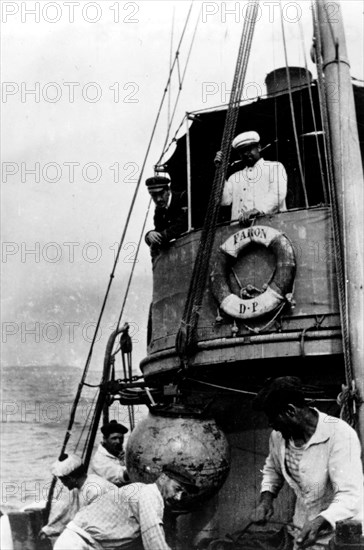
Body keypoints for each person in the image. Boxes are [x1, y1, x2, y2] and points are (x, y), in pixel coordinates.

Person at [250, 376, 363, 549]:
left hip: (338, 536)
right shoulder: (279, 437)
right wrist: (266, 500)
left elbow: (350, 496)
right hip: (302, 532)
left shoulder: (339, 434)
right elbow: (273, 469)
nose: (271, 425)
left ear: (290, 411)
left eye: (272, 418)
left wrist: (319, 521)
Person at [53, 463, 199, 550]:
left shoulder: (141, 490)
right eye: (177, 489)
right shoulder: (150, 495)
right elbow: (154, 541)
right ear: (163, 478)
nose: (178, 497)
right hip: (77, 545)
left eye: (183, 494)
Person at [40, 454, 115, 545]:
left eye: (63, 480)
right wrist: (48, 530)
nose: (63, 483)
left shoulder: (94, 490)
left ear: (71, 478)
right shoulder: (79, 488)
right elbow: (68, 513)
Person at [216, 131, 287, 226]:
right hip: (240, 233)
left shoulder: (275, 167)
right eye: (242, 151)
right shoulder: (234, 178)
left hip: (271, 227)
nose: (245, 154)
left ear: (259, 148)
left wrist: (259, 210)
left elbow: (278, 194)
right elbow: (225, 201)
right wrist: (220, 171)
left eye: (249, 149)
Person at [144, 175, 188, 257]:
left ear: (168, 190)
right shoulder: (159, 210)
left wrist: (159, 236)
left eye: (161, 194)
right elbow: (159, 229)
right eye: (154, 195)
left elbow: (181, 225)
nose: (158, 199)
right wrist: (149, 235)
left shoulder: (183, 198)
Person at [90, 420, 130, 487]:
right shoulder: (98, 459)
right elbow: (118, 476)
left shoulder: (120, 453)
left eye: (121, 438)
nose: (118, 441)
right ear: (105, 439)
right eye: (114, 438)